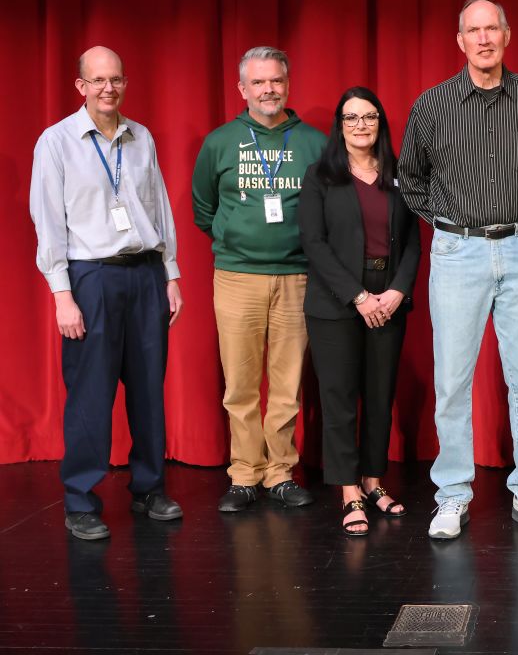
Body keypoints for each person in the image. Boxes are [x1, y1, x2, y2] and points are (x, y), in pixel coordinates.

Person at [397, 0, 518, 540]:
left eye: (493, 28)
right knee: (452, 382)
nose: (485, 39)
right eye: (475, 30)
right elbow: (410, 177)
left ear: (507, 35)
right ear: (461, 40)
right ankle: (452, 495)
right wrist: (446, 222)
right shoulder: (433, 104)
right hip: (457, 252)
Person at [31, 46, 185, 540]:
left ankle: (149, 488)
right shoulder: (56, 142)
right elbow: (49, 222)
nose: (108, 89)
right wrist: (62, 294)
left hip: (144, 275)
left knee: (147, 390)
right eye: (97, 80)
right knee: (90, 394)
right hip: (90, 277)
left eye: (115, 79)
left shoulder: (142, 138)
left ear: (124, 83)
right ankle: (80, 498)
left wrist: (172, 273)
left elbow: (159, 206)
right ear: (80, 86)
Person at [192, 46, 327, 513]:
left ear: (287, 85)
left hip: (297, 277)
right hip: (236, 276)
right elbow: (203, 208)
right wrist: (236, 239)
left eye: (276, 81)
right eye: (259, 82)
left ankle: (280, 472)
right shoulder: (220, 142)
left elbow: (330, 208)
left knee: (287, 384)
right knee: (241, 385)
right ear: (242, 89)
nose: (268, 89)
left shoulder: (313, 142)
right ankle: (245, 473)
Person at [298, 87, 421, 536]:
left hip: (388, 297)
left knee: (379, 394)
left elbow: (412, 242)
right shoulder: (320, 176)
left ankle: (373, 480)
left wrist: (395, 292)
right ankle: (349, 490)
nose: (361, 125)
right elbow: (314, 243)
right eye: (351, 118)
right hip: (337, 301)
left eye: (369, 117)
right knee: (340, 398)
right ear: (340, 125)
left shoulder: (399, 176)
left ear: (380, 123)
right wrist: (358, 296)